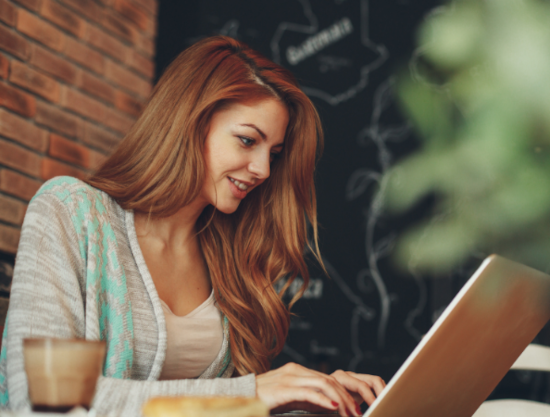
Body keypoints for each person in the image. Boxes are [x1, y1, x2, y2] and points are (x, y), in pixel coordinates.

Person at [0, 36, 384, 417]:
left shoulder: (226, 258)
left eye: (274, 154)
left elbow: (212, 409)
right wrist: (249, 394)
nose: (264, 170)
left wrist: (311, 400)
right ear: (190, 121)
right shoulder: (73, 213)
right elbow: (49, 402)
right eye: (247, 140)